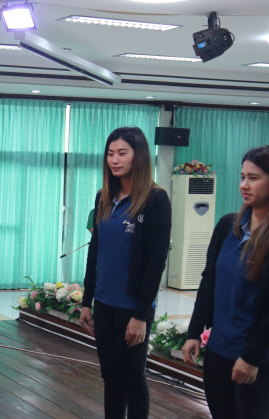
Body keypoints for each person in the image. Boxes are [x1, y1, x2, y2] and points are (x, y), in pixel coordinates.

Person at [79, 127, 171, 419]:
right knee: (111, 377)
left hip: (133, 307)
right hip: (104, 302)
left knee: (132, 377)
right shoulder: (104, 196)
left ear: (138, 156)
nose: (114, 160)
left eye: (122, 153)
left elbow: (156, 262)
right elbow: (95, 250)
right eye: (110, 154)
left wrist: (141, 315)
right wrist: (87, 301)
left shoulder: (156, 199)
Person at [181, 146, 269, 418]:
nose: (244, 185)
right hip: (218, 351)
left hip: (255, 360)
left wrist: (252, 357)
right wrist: (194, 331)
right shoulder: (227, 226)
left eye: (253, 178)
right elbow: (208, 281)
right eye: (242, 177)